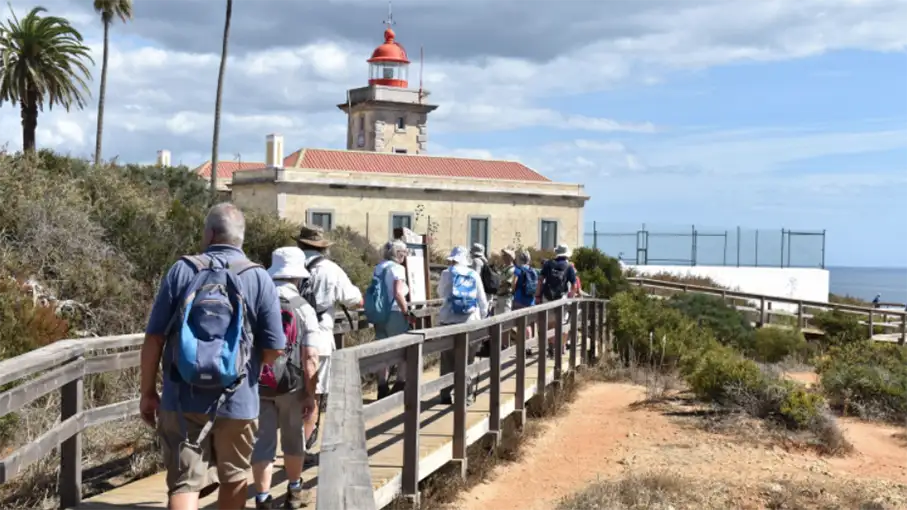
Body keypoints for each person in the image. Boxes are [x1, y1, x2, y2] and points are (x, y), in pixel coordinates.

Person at [140, 203, 285, 510]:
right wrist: (246, 367)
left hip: (182, 397)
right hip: (238, 399)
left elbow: (154, 338)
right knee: (234, 478)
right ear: (240, 238)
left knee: (184, 483)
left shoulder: (182, 270)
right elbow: (274, 348)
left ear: (209, 234)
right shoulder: (258, 277)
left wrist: (148, 392)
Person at [251, 247, 320, 510]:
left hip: (259, 383)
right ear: (298, 277)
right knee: (293, 439)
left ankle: (262, 498)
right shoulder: (304, 308)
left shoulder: (257, 302)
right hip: (292, 386)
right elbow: (310, 357)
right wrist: (310, 395)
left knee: (263, 441)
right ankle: (294, 491)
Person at [295, 224, 363, 452]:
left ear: (299, 243)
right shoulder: (331, 269)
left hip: (288, 339)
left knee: (287, 396)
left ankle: (288, 445)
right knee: (312, 395)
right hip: (319, 341)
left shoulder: (287, 265)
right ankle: (303, 449)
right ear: (323, 247)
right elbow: (355, 300)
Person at [438, 246, 488, 406]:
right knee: (468, 361)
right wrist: (482, 318)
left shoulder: (446, 273)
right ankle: (466, 396)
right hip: (470, 322)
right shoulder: (473, 274)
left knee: (447, 360)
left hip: (448, 321)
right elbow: (482, 301)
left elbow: (440, 293)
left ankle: (445, 394)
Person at [372, 240, 417, 399]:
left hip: (379, 313)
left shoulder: (379, 267)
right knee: (404, 350)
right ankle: (399, 383)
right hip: (395, 312)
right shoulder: (398, 268)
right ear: (397, 253)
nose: (405, 256)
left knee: (383, 350)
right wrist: (406, 312)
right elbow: (398, 293)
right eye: (404, 252)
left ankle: (382, 386)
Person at [536, 244, 577, 356]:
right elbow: (574, 286)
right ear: (567, 255)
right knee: (562, 324)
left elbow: (540, 280)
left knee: (549, 323)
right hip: (561, 298)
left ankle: (550, 346)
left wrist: (537, 296)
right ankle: (561, 347)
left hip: (547, 297)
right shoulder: (569, 267)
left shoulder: (548, 264)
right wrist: (570, 297)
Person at [512, 251, 538, 355]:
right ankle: (529, 346)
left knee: (520, 325)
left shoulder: (518, 270)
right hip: (530, 300)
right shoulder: (533, 270)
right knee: (529, 324)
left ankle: (522, 347)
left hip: (519, 299)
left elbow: (514, 284)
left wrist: (512, 291)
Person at [495, 248, 518, 349]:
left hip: (506, 297)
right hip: (500, 297)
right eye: (503, 255)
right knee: (499, 322)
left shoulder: (512, 269)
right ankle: (502, 345)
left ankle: (506, 345)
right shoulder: (504, 268)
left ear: (510, 257)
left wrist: (497, 289)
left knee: (505, 323)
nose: (503, 257)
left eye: (505, 255)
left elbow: (507, 284)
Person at [470, 243, 495, 315]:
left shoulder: (476, 261)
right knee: (487, 312)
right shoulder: (486, 261)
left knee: (481, 315)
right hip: (488, 291)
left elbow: (475, 276)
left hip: (482, 292)